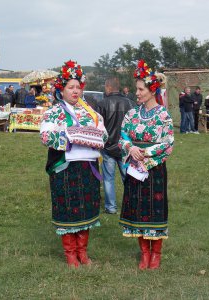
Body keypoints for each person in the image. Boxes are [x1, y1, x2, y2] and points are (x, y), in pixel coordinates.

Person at [40, 60, 108, 268]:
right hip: (65, 167)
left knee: (86, 208)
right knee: (68, 209)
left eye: (78, 87)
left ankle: (83, 252)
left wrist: (90, 135)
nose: (75, 90)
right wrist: (71, 135)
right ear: (61, 90)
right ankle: (70, 254)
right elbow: (45, 136)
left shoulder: (90, 112)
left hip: (88, 167)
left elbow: (103, 135)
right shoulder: (54, 112)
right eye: (71, 87)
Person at [119, 60, 174, 270]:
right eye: (136, 89)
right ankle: (144, 253)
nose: (137, 93)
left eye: (141, 89)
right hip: (134, 169)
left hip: (154, 170)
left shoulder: (163, 115)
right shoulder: (132, 114)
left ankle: (156, 254)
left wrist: (145, 154)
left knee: (154, 210)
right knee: (137, 209)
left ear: (152, 90)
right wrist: (129, 147)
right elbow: (122, 135)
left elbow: (168, 144)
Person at [96, 77, 136, 214]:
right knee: (129, 178)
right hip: (126, 147)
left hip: (108, 148)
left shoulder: (101, 104)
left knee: (108, 179)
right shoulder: (131, 103)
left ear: (108, 87)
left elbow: (98, 128)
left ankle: (111, 207)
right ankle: (132, 205)